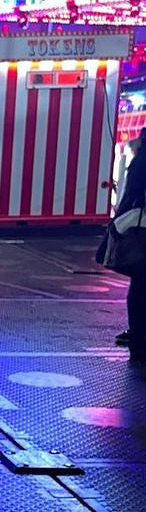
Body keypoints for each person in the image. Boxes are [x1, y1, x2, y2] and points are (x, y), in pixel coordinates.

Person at [112, 126, 146, 365]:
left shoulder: (140, 162)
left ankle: (138, 343)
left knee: (140, 288)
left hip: (141, 234)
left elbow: (130, 195)